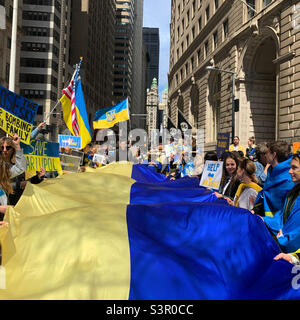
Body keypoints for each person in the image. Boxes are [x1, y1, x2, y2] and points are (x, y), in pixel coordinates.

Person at [262, 153, 300, 263]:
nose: (290, 171)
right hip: (288, 255)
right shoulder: (293, 192)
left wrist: (284, 239)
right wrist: (265, 220)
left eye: (294, 168)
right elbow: (282, 215)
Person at [253, 141, 294, 217]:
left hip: (278, 225)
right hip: (265, 220)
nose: (265, 156)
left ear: (273, 155)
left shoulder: (289, 178)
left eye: (267, 153)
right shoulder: (272, 171)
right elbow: (265, 194)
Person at [0, 134, 26, 214]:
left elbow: (20, 168)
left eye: (8, 147)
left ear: (12, 150)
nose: (4, 150)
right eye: (2, 147)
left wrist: (17, 146)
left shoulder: (7, 168)